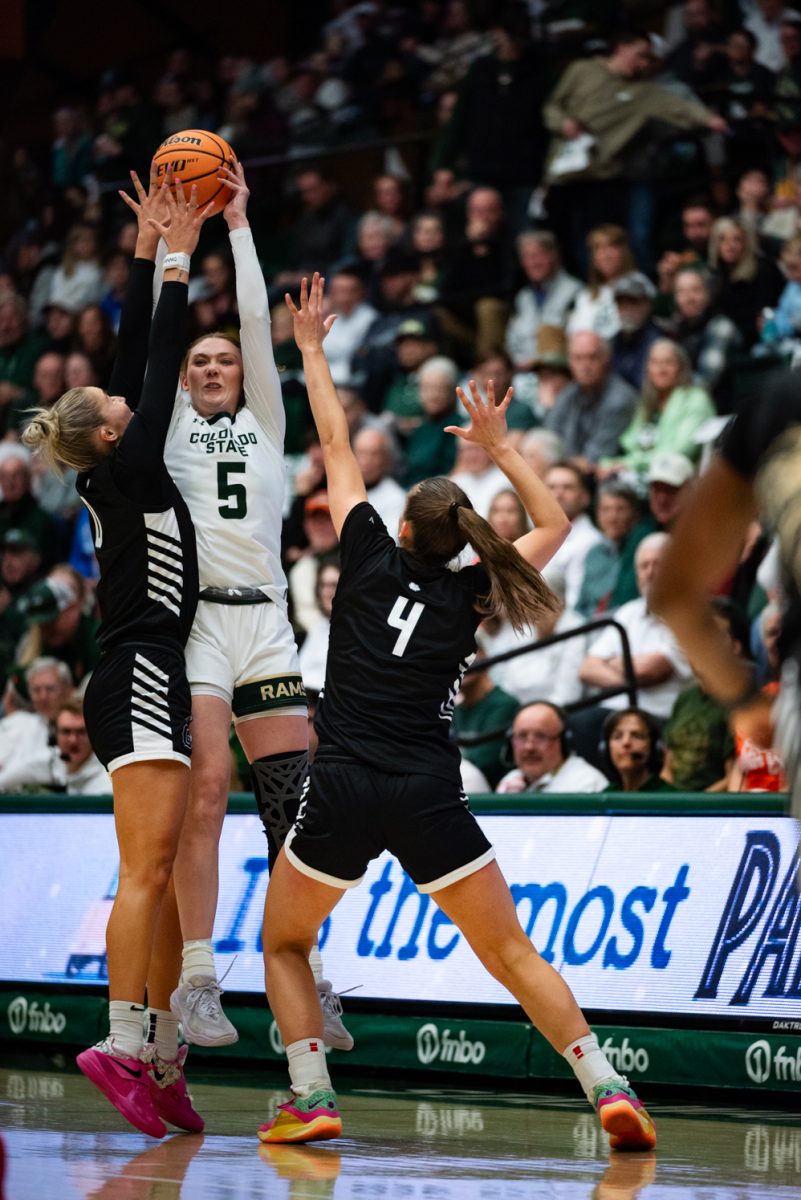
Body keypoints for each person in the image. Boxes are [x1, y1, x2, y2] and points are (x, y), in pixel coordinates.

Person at [258, 273, 656, 1153]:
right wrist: (501, 448)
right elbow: (551, 520)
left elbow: (332, 436)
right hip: (431, 784)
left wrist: (313, 350)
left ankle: (310, 1094)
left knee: (282, 944)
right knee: (511, 954)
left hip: (347, 782)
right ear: (463, 538)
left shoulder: (359, 551)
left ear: (400, 529)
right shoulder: (476, 588)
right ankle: (606, 1083)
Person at [21, 171, 210, 1138]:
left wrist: (144, 251)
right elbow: (159, 352)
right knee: (145, 871)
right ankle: (122, 1041)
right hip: (135, 673)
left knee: (168, 867)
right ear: (106, 430)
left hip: (154, 675)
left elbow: (137, 355)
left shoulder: (128, 465)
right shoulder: (130, 466)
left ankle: (164, 1053)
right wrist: (176, 264)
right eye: (117, 401)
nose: (133, 400)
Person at [161, 163, 350, 1052]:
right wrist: (172, 246)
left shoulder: (267, 420)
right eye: (197, 360)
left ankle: (305, 975)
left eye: (222, 359)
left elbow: (247, 318)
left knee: (293, 803)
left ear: (242, 373)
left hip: (267, 621)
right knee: (204, 794)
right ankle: (199, 980)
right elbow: (160, 341)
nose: (208, 365)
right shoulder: (170, 423)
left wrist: (237, 227)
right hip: (197, 624)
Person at [542, 333, 637, 469]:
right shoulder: (569, 393)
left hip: (604, 480)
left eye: (592, 357)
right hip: (566, 471)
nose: (585, 366)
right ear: (570, 362)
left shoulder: (620, 399)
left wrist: (554, 464)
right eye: (578, 358)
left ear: (606, 359)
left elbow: (594, 460)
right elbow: (548, 438)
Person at [495, 702, 609, 794]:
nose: (529, 747)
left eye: (540, 736)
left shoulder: (586, 784)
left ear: (563, 741)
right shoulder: (509, 781)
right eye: (522, 736)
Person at [600, 707, 675, 793]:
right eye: (617, 736)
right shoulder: (606, 795)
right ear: (606, 749)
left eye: (637, 736)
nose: (626, 742)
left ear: (655, 747)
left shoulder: (669, 797)